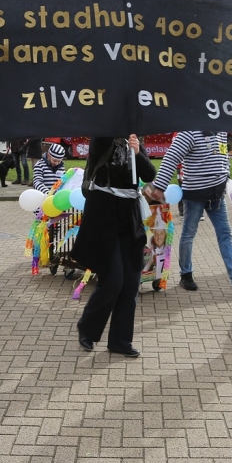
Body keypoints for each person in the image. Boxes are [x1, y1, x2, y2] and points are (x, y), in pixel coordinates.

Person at [71, 135, 155, 358]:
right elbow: (100, 154)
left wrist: (137, 152)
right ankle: (88, 327)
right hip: (104, 215)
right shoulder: (102, 137)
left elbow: (149, 175)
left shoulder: (134, 140)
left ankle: (120, 340)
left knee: (131, 282)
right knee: (113, 280)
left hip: (129, 218)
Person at [147, 131, 232, 294]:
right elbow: (171, 157)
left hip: (217, 196)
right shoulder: (189, 133)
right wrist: (160, 187)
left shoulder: (220, 131)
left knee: (225, 235)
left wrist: (226, 176)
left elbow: (222, 156)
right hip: (195, 196)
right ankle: (186, 274)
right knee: (188, 234)